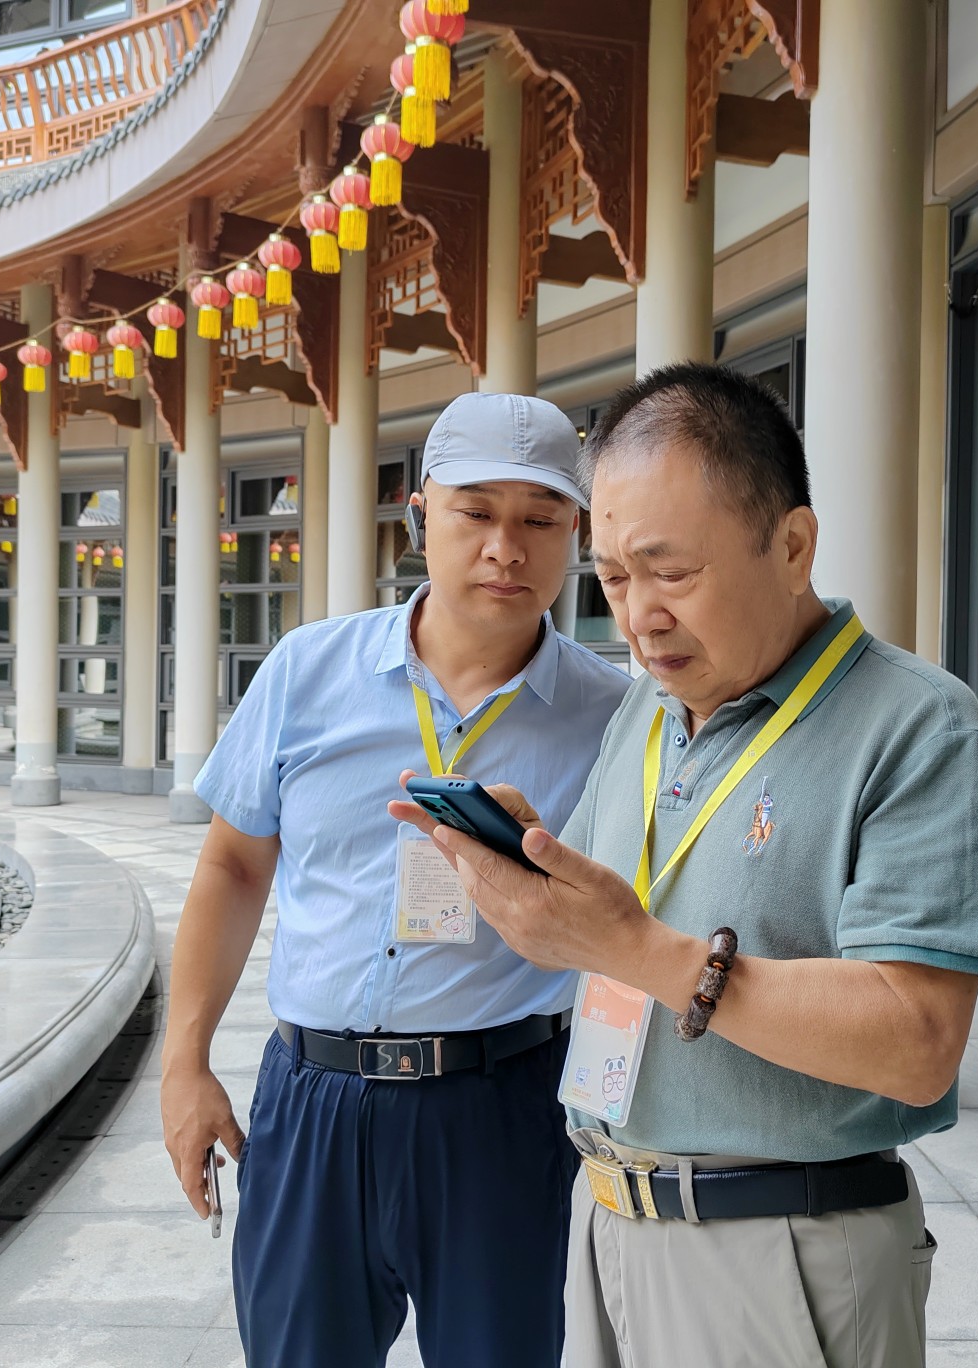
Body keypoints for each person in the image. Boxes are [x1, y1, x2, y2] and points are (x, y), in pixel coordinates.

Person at [391, 363, 978, 1368]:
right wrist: (538, 877)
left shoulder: (916, 726)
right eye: (614, 579)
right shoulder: (650, 706)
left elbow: (917, 1043)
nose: (639, 618)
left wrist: (642, 952)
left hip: (778, 1247)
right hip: (607, 1218)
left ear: (793, 546)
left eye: (671, 572)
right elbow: (617, 914)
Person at [161, 392, 631, 1368]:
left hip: (500, 1109)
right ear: (420, 518)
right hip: (313, 1104)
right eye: (476, 513)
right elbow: (234, 866)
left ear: (576, 536)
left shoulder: (614, 718)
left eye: (540, 520)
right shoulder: (308, 671)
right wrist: (185, 1062)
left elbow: (632, 927)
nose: (506, 548)